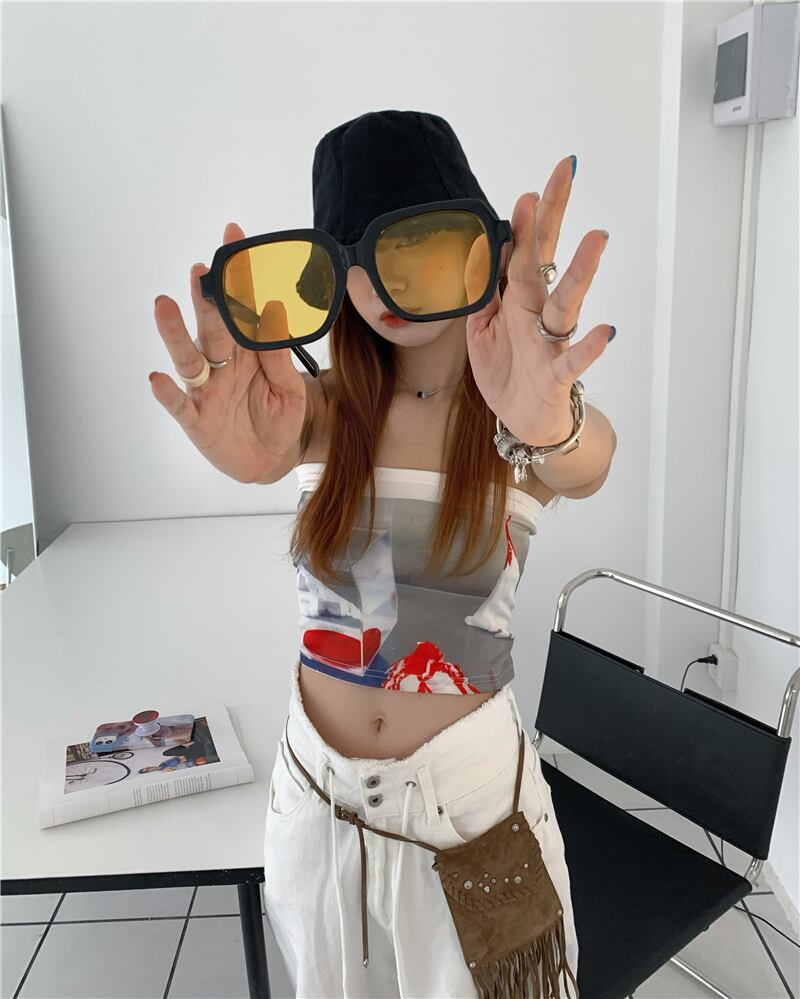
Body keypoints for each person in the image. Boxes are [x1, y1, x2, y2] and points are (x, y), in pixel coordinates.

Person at [151, 109, 617, 998]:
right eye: (348, 262)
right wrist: (253, 461)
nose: (376, 288)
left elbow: (589, 460)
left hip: (471, 818)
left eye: (413, 245)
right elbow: (272, 448)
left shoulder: (521, 411)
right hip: (315, 803)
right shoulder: (319, 409)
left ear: (481, 248)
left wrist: (554, 425)